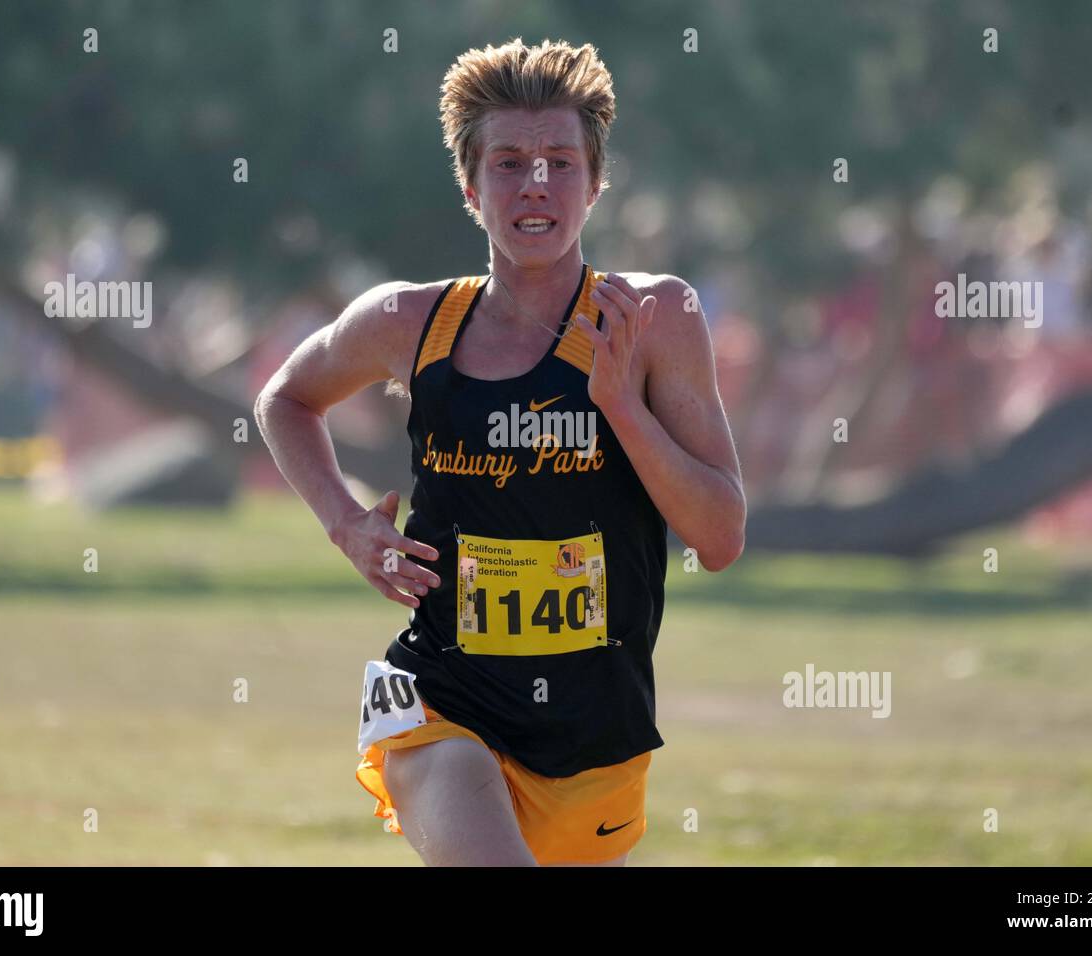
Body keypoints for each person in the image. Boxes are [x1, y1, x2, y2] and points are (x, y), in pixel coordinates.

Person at [255, 37, 745, 866]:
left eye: (560, 160)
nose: (537, 183)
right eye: (510, 162)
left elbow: (721, 537)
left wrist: (620, 404)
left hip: (598, 735)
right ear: (471, 185)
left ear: (595, 183)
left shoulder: (656, 318)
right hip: (444, 702)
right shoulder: (409, 321)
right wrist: (347, 525)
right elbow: (285, 400)